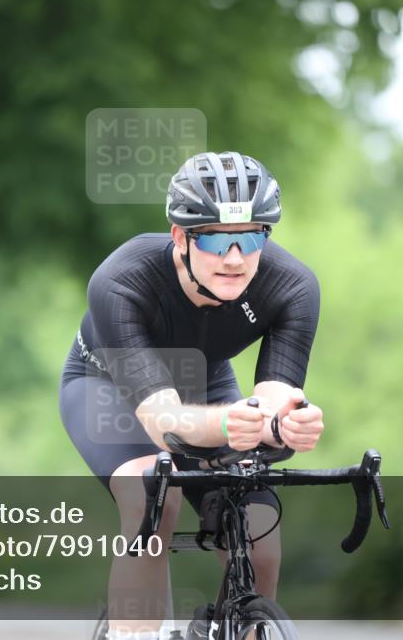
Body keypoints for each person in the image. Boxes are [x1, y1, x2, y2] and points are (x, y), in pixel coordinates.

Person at [59, 151, 324, 639]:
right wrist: (229, 424)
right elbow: (164, 422)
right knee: (154, 495)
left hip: (205, 384)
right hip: (108, 386)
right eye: (215, 240)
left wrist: (284, 423)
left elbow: (272, 401)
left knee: (259, 528)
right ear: (180, 237)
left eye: (250, 238)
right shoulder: (120, 281)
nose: (234, 258)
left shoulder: (292, 288)